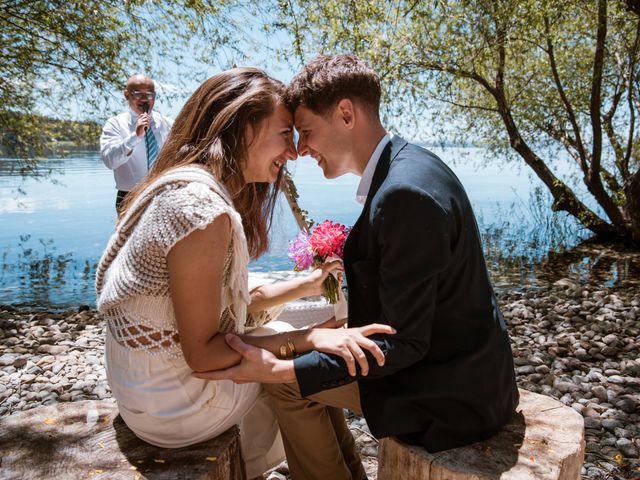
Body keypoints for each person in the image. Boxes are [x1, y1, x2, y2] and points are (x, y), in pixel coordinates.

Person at [195, 55, 520, 480]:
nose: (300, 150)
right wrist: (329, 333)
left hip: (448, 394)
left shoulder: (403, 194)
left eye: (307, 132)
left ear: (346, 114)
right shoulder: (408, 165)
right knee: (307, 364)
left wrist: (283, 367)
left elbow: (404, 345)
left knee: (287, 385)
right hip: (463, 367)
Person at [95, 67, 394, 479]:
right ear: (241, 128)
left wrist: (307, 286)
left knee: (297, 340)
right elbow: (203, 353)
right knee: (295, 374)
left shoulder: (180, 184)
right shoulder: (200, 209)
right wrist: (310, 339)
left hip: (142, 390)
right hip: (172, 407)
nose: (293, 152)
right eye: (285, 133)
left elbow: (227, 299)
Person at [100, 74, 174, 211]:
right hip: (129, 197)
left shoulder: (168, 124)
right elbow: (110, 161)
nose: (144, 99)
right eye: (138, 94)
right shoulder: (115, 124)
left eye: (149, 94)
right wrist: (135, 136)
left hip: (165, 194)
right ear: (126, 95)